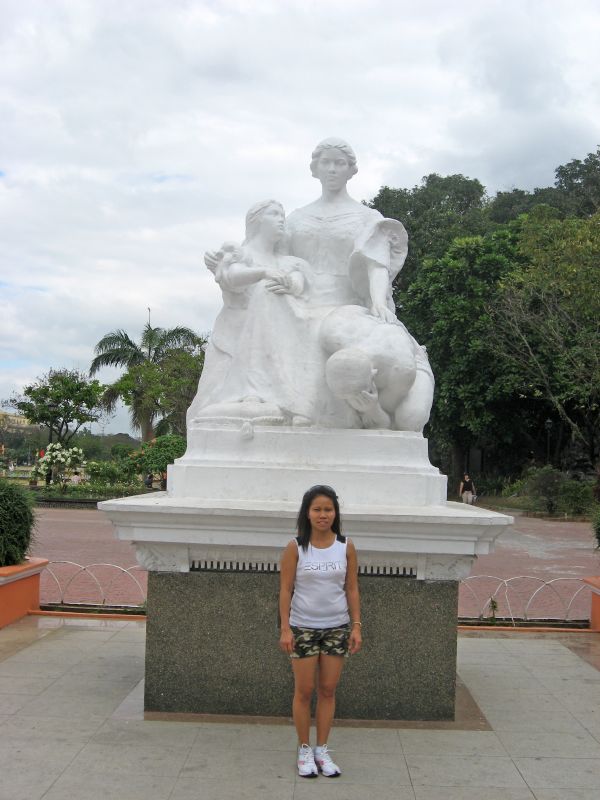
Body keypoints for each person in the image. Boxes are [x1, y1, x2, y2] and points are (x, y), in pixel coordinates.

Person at [279, 485, 362, 778]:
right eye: (317, 509)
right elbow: (285, 590)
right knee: (304, 691)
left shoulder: (345, 546)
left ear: (335, 513)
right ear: (307, 513)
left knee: (327, 690)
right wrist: (285, 628)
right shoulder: (295, 547)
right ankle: (304, 749)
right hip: (302, 628)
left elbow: (351, 588)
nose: (323, 515)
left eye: (328, 509)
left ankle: (322, 750)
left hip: (336, 628)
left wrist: (356, 626)